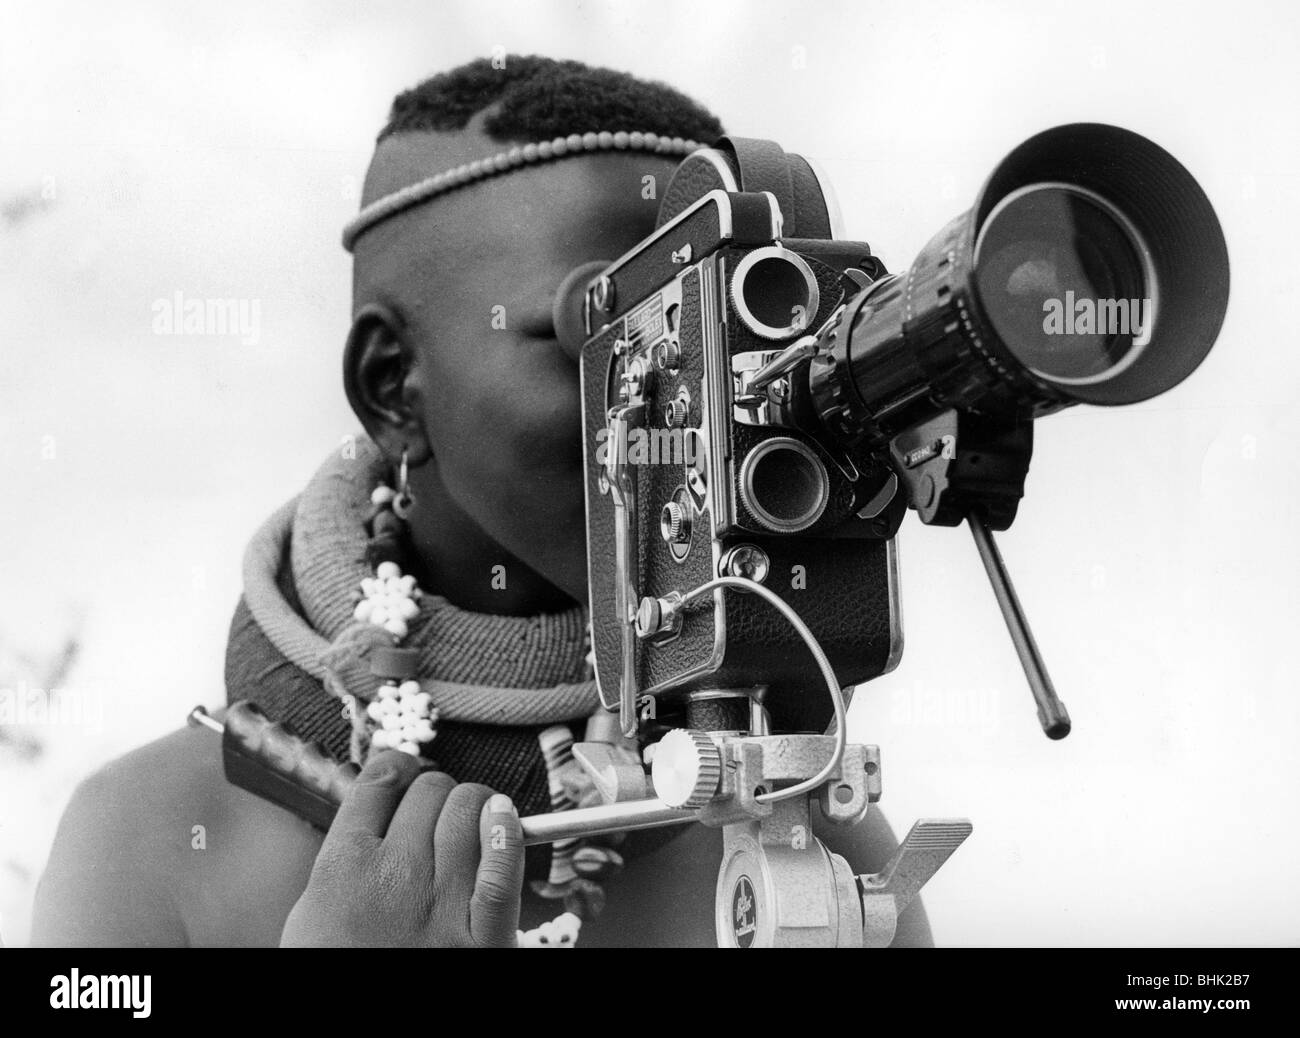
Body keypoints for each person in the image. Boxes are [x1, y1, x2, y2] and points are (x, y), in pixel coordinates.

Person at [31, 55, 932, 948]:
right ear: (393, 387)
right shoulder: (154, 839)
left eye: (704, 334)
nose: (682, 404)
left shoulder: (804, 830)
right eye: (600, 335)